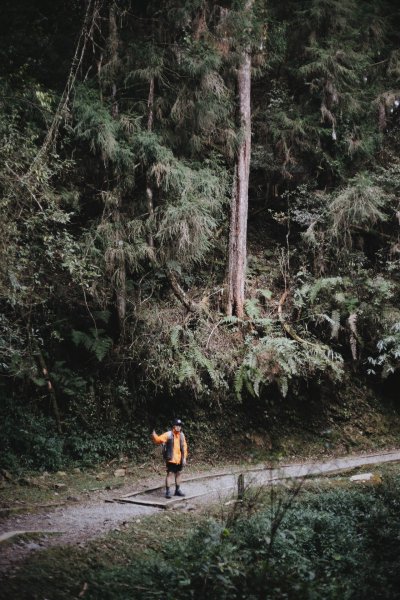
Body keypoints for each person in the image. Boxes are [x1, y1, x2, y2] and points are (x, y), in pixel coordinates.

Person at [152, 418, 188, 499]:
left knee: (178, 474)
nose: (178, 427)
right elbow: (158, 440)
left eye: (180, 426)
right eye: (177, 425)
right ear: (174, 426)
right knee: (170, 474)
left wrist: (184, 458)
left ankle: (177, 490)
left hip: (179, 459)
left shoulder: (182, 435)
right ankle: (168, 492)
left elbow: (184, 447)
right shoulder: (168, 434)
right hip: (171, 458)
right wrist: (154, 435)